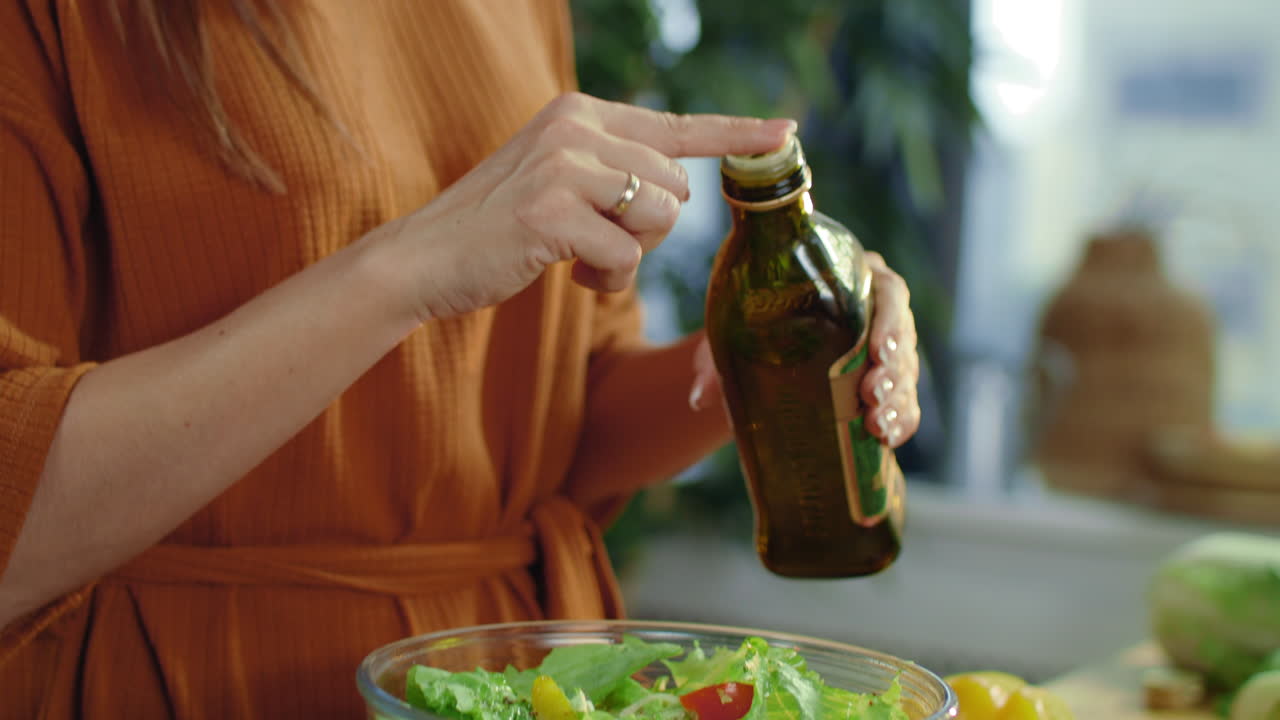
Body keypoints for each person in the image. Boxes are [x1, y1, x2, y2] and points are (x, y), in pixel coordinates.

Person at [0, 1, 923, 717]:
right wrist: (407, 271)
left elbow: (554, 413)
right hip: (191, 683)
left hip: (519, 676)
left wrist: (771, 357)